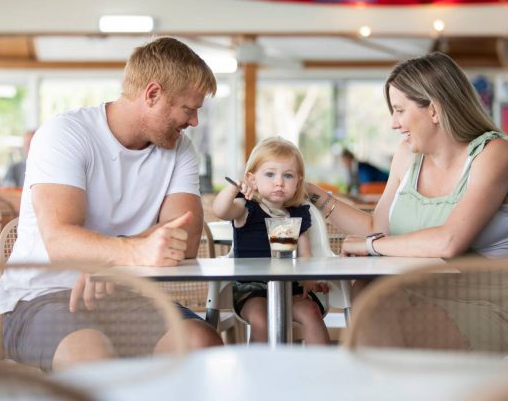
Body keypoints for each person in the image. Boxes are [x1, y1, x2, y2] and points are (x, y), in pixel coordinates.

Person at [0, 37, 224, 372]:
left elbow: (186, 237)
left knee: (202, 345)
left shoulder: (180, 149)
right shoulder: (66, 134)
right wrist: (136, 252)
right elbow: (61, 242)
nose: (194, 122)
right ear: (152, 94)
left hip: (125, 296)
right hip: (43, 297)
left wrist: (112, 262)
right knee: (94, 360)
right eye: (188, 109)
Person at [306, 51, 507, 259]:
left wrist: (371, 245)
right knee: (363, 286)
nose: (394, 123)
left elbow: (449, 242)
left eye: (399, 110)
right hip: (415, 285)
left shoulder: (493, 153)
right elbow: (376, 228)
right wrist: (309, 191)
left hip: (478, 289)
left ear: (434, 110)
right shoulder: (407, 155)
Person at [213, 137, 330, 344]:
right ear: (252, 180)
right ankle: (259, 375)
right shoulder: (245, 209)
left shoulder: (297, 214)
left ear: (298, 182)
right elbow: (221, 210)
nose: (279, 182)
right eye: (270, 174)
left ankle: (319, 372)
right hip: (251, 288)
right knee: (262, 320)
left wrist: (309, 279)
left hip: (289, 287)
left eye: (288, 175)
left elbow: (306, 256)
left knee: (312, 312)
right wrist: (233, 189)